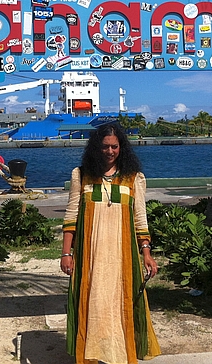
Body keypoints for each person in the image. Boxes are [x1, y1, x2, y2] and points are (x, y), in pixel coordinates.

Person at [61, 123, 161, 364]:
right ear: (96, 148)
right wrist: (66, 253)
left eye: (114, 146)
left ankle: (118, 352)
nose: (110, 151)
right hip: (90, 254)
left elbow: (140, 218)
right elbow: (71, 215)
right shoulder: (82, 175)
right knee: (93, 303)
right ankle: (92, 352)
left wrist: (146, 253)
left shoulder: (133, 178)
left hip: (122, 255)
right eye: (104, 146)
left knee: (119, 303)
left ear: (121, 147)